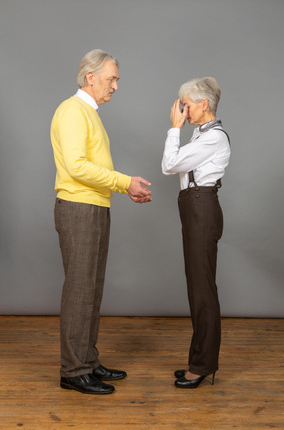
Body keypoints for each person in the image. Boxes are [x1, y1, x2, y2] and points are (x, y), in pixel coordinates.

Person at [51, 49, 152, 395]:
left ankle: (88, 362)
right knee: (80, 290)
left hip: (93, 206)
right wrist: (125, 182)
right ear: (90, 77)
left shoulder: (89, 113)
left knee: (91, 289)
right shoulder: (72, 111)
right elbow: (77, 166)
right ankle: (73, 370)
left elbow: (92, 168)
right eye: (112, 79)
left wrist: (125, 190)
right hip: (79, 208)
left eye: (117, 80)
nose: (116, 86)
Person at [161, 77, 231, 389]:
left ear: (204, 104)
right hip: (193, 206)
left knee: (202, 288)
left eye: (186, 104)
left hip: (201, 207)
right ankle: (197, 359)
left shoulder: (213, 137)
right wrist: (181, 128)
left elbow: (170, 164)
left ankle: (203, 365)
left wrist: (173, 128)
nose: (182, 109)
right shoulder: (200, 135)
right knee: (196, 286)